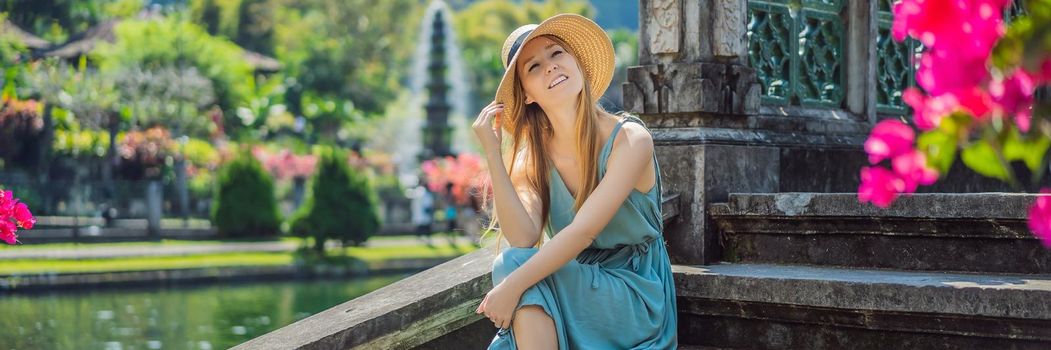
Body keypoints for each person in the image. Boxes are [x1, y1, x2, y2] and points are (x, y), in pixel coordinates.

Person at [471, 13, 677, 350]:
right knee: (513, 263)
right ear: (526, 96)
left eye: (556, 53)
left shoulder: (630, 139)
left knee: (513, 272)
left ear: (577, 62)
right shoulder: (534, 158)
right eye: (533, 67)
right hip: (576, 283)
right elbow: (523, 237)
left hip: (634, 293)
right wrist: (494, 154)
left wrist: (510, 288)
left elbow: (584, 232)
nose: (550, 66)